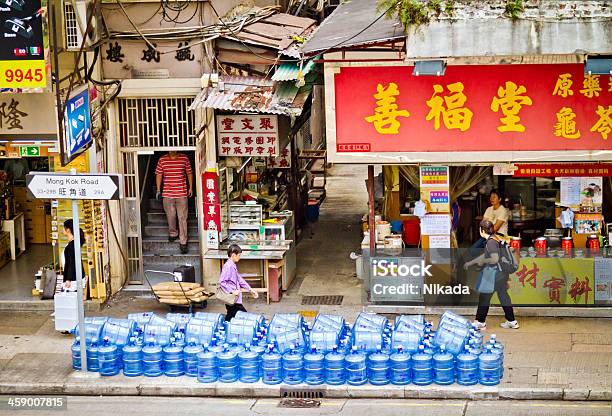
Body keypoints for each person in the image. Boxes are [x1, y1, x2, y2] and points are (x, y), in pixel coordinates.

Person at [464, 220, 519, 330]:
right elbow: (486, 255)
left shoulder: (491, 242)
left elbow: (494, 259)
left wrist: (482, 261)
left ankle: (480, 322)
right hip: (501, 273)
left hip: (494, 274)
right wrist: (471, 262)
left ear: (482, 230)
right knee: (503, 296)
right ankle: (512, 321)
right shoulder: (495, 238)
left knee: (484, 297)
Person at [155, 151, 193, 254]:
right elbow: (159, 174)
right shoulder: (162, 159)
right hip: (168, 194)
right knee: (171, 216)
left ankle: (183, 241)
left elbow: (189, 172)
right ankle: (173, 233)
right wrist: (158, 190)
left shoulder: (184, 158)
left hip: (181, 193)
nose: (173, 149)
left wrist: (191, 187)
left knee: (182, 218)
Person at [218, 244, 259, 321]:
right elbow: (222, 282)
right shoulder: (228, 266)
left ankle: (225, 329)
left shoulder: (232, 265)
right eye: (239, 255)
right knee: (244, 317)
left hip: (235, 299)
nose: (239, 257)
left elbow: (239, 279)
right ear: (233, 255)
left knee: (230, 316)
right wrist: (232, 291)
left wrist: (250, 289)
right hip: (232, 298)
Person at [62, 219, 85, 291]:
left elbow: (71, 262)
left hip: (73, 280)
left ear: (68, 230)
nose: (62, 230)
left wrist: (68, 279)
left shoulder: (71, 246)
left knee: (71, 301)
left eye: (64, 227)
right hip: (76, 278)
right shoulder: (74, 243)